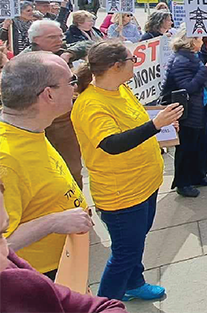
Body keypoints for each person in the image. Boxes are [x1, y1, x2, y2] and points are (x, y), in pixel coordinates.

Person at [72, 41, 183, 301]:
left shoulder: (121, 89)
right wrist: (156, 125)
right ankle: (105, 303)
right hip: (121, 193)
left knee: (135, 245)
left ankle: (134, 283)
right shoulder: (91, 104)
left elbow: (137, 124)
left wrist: (163, 129)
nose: (137, 62)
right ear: (116, 66)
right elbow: (111, 144)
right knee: (124, 254)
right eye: (133, 58)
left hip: (145, 184)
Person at [0, 52, 91, 279]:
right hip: (37, 277)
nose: (76, 87)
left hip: (64, 262)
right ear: (48, 95)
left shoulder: (32, 128)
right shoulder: (6, 160)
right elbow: (4, 243)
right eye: (71, 81)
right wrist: (53, 222)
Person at [0, 177, 127, 312]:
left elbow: (104, 307)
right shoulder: (15, 283)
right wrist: (52, 223)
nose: (4, 255)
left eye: (2, 233)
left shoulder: (13, 273)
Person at [23, 20, 84, 188]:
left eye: (60, 36)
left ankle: (75, 203)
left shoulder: (61, 52)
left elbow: (88, 44)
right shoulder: (25, 63)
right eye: (52, 37)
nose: (59, 40)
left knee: (72, 169)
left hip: (65, 121)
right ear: (36, 40)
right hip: (42, 122)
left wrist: (69, 54)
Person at [161, 28, 207, 198]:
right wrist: (205, 70)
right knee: (186, 148)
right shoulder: (181, 60)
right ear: (192, 40)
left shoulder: (190, 56)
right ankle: (183, 183)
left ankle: (198, 175)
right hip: (187, 112)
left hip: (198, 108)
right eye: (200, 38)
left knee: (198, 146)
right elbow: (187, 87)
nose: (203, 41)